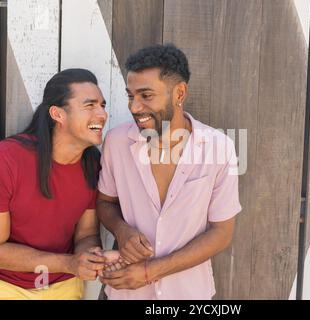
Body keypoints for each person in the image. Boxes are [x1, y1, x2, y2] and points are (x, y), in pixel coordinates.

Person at [96, 44, 242, 300]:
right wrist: (121, 230)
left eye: (146, 95)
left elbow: (222, 233)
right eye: (131, 96)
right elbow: (105, 202)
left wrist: (150, 271)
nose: (135, 107)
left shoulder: (219, 147)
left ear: (179, 93)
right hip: (127, 293)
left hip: (189, 294)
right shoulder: (116, 142)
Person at [0, 68, 110, 299]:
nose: (102, 114)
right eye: (90, 105)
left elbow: (85, 234)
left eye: (102, 105)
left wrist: (90, 258)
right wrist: (70, 263)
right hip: (2, 286)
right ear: (57, 114)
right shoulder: (1, 162)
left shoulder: (93, 165)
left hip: (64, 287)